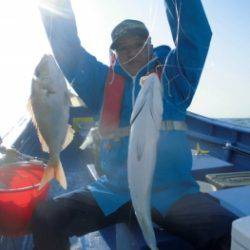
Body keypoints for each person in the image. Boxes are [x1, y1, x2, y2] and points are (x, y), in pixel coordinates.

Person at [31, 0, 237, 249]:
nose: (132, 52)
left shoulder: (175, 77)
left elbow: (195, 35)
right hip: (115, 193)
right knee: (47, 217)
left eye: (138, 44)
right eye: (123, 48)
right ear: (114, 54)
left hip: (173, 195)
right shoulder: (99, 84)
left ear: (150, 44)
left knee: (228, 231)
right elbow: (68, 51)